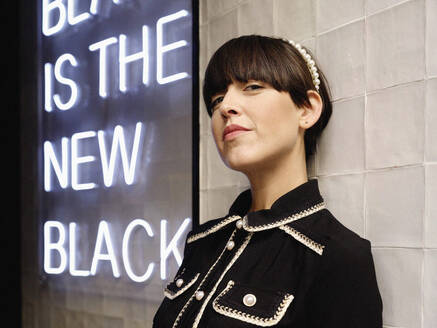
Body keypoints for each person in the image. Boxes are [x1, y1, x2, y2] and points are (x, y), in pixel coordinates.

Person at [153, 35, 383, 327]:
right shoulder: (203, 241)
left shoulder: (336, 255)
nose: (226, 107)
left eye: (252, 87)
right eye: (216, 100)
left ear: (307, 109)